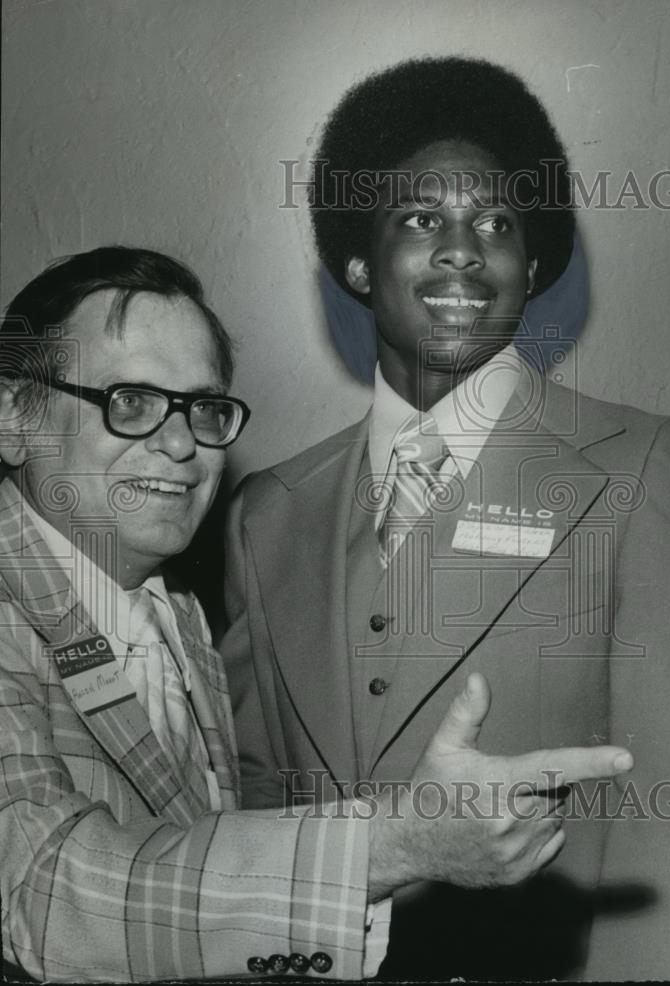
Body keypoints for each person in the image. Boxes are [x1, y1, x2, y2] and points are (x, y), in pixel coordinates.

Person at [221, 56, 670, 980]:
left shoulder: (643, 465)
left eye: (496, 223)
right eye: (421, 219)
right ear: (354, 260)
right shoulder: (267, 514)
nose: (463, 249)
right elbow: (255, 805)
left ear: (532, 267)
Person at [0, 246, 633, 982]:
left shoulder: (178, 617)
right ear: (14, 415)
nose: (179, 445)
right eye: (131, 403)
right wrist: (394, 844)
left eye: (203, 409)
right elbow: (44, 892)